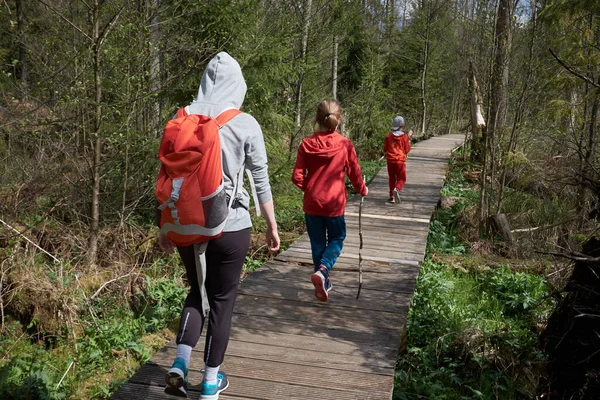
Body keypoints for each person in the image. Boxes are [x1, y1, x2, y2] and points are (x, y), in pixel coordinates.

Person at [157, 52, 280, 399]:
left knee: (197, 293)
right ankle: (210, 381)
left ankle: (180, 362)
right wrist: (271, 225)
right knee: (222, 300)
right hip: (231, 226)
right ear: (237, 85)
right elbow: (260, 179)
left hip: (186, 224)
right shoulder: (244, 123)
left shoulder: (180, 119)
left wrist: (165, 227)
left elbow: (167, 176)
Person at [292, 99, 368, 302]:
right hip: (334, 204)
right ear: (339, 119)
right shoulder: (344, 144)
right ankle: (324, 270)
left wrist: (310, 189)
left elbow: (297, 176)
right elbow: (354, 173)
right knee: (336, 239)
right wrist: (362, 189)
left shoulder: (306, 144)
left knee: (317, 243)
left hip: (312, 204)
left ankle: (323, 279)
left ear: (317, 119)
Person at [384, 116, 413, 205]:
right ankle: (397, 189)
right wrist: (409, 139)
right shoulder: (404, 137)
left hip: (390, 161)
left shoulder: (388, 136)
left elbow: (385, 149)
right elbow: (407, 150)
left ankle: (391, 197)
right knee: (402, 178)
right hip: (400, 161)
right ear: (402, 125)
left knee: (392, 179)